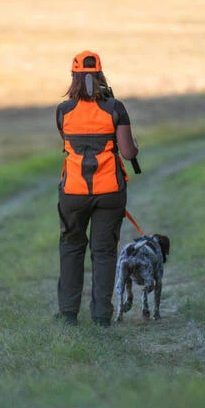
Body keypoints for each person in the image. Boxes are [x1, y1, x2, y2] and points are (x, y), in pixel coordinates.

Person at [55, 51, 139, 327]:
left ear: (74, 77)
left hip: (73, 191)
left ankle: (68, 313)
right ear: (100, 75)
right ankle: (101, 315)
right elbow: (127, 153)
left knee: (71, 248)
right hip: (109, 190)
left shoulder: (63, 111)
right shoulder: (115, 108)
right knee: (103, 253)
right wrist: (133, 144)